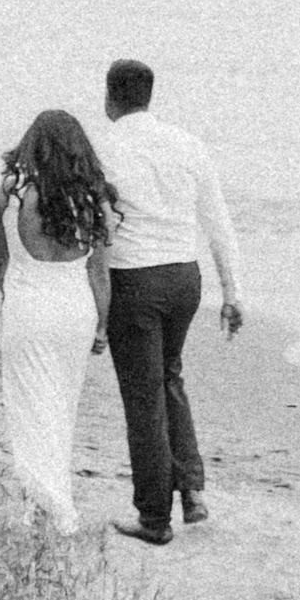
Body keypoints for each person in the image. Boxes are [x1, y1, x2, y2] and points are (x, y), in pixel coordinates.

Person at [90, 58, 244, 545]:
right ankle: (192, 490)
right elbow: (217, 222)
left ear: (110, 98)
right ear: (150, 97)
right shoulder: (187, 144)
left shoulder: (105, 147)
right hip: (184, 278)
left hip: (135, 280)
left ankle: (154, 517)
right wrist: (231, 293)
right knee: (169, 377)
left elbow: (95, 225)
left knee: (143, 397)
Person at [0, 108, 117, 538]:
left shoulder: (12, 192)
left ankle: (45, 504)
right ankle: (51, 503)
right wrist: (102, 326)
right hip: (75, 311)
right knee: (62, 406)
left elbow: (1, 262)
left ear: (31, 146)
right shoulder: (91, 201)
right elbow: (99, 272)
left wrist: (15, 302)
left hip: (28, 306)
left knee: (28, 408)